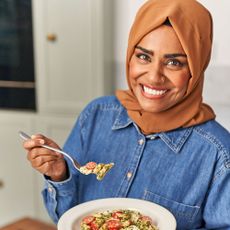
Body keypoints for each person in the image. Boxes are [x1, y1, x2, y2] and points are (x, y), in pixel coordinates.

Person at [22, 0, 230, 229]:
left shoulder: (218, 154)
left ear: (196, 68)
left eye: (173, 62)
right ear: (130, 55)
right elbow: (66, 219)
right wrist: (59, 175)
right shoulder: (96, 116)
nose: (153, 77)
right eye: (143, 57)